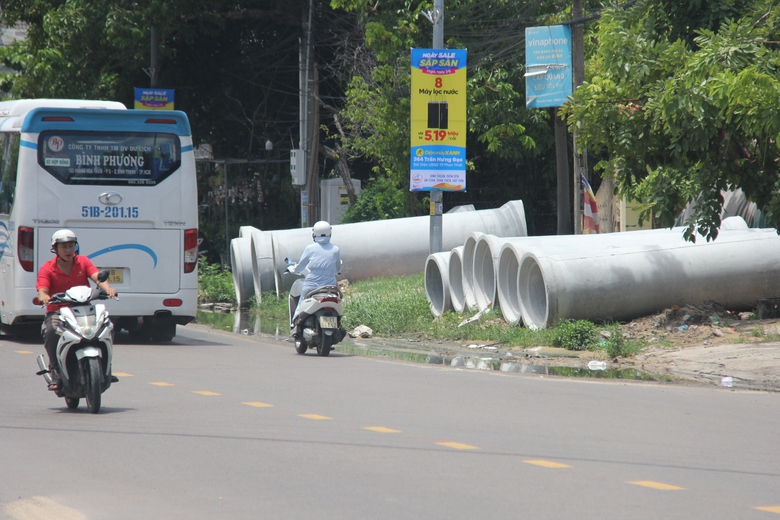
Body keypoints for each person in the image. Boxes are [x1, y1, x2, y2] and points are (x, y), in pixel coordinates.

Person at [36, 229, 116, 390]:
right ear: (55, 249)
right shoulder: (47, 268)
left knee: (107, 326)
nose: (68, 250)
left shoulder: (83, 262)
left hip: (83, 309)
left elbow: (97, 276)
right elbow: (42, 290)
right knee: (51, 331)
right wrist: (44, 296)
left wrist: (108, 289)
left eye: (71, 246)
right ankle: (56, 372)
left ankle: (105, 367)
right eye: (63, 247)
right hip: (58, 311)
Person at [289, 221, 340, 328]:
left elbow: (301, 266)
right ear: (329, 233)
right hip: (330, 286)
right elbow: (337, 269)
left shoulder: (310, 248)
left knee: (301, 303)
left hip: (312, 284)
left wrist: (294, 269)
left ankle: (294, 323)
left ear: (314, 234)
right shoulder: (335, 249)